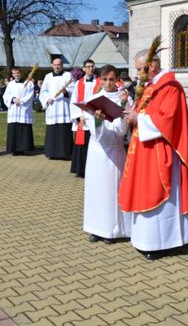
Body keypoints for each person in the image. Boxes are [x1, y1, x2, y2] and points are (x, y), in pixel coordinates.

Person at [119, 49, 188, 259]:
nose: (137, 73)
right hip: (143, 147)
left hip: (159, 149)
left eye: (140, 69)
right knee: (143, 189)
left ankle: (162, 242)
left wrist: (140, 119)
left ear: (152, 66)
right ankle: (144, 239)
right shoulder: (150, 87)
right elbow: (143, 112)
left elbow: (169, 119)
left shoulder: (171, 87)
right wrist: (131, 115)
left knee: (156, 191)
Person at [82, 64, 132, 244]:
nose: (108, 83)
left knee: (112, 191)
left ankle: (113, 230)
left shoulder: (124, 98)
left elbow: (121, 130)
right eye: (104, 79)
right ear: (100, 80)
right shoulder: (94, 98)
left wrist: (123, 105)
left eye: (111, 79)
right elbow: (93, 130)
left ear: (116, 79)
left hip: (115, 150)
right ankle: (96, 228)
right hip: (97, 150)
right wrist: (97, 121)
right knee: (96, 190)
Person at [70, 59, 100, 178]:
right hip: (82, 119)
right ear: (83, 69)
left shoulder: (99, 82)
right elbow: (74, 101)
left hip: (94, 118)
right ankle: (81, 169)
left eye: (92, 66)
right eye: (88, 66)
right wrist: (78, 116)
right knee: (81, 144)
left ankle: (94, 169)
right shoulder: (78, 83)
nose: (90, 68)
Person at [39, 58, 73, 160]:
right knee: (52, 131)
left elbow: (73, 88)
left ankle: (65, 153)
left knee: (64, 131)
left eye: (59, 65)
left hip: (64, 107)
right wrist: (47, 99)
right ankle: (52, 152)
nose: (57, 67)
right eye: (55, 65)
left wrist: (66, 91)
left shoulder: (68, 75)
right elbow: (43, 91)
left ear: (62, 65)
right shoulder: (48, 76)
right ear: (52, 65)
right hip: (53, 107)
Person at [3, 67, 35, 155]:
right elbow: (6, 96)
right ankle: (14, 149)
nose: (16, 75)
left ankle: (24, 148)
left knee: (23, 128)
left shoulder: (29, 84)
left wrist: (21, 101)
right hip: (14, 109)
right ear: (12, 74)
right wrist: (13, 99)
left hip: (23, 109)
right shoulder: (10, 84)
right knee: (14, 128)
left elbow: (30, 95)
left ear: (21, 73)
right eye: (14, 73)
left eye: (17, 73)